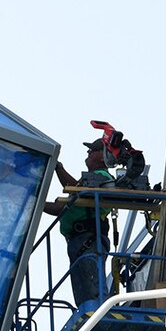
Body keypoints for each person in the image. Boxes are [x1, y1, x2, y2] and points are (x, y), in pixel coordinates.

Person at [44, 128, 120, 308]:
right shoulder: (89, 185)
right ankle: (90, 311)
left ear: (102, 157)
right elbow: (62, 207)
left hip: (88, 239)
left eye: (92, 150)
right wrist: (36, 202)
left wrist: (58, 167)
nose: (87, 153)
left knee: (91, 289)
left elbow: (72, 190)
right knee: (84, 289)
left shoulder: (101, 177)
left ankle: (96, 311)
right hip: (80, 241)